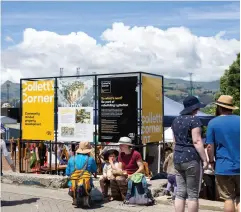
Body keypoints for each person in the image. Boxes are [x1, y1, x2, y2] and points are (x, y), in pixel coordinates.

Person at [172, 96, 208, 212]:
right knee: (192, 194)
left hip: (177, 158)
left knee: (180, 192)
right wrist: (205, 159)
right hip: (191, 158)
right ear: (194, 108)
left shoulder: (175, 120)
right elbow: (197, 141)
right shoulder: (194, 120)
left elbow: (174, 142)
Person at [206, 95, 240, 212]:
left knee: (228, 198)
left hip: (223, 166)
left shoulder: (213, 123)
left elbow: (210, 147)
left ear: (219, 107)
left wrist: (211, 161)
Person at [110, 137, 144, 201]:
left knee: (119, 178)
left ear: (126, 145)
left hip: (134, 174)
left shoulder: (136, 154)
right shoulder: (121, 154)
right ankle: (116, 196)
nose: (119, 146)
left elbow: (141, 168)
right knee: (112, 177)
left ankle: (126, 196)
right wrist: (118, 170)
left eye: (121, 145)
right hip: (125, 173)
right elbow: (120, 168)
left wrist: (132, 175)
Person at [66, 141, 97, 205]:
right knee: (88, 181)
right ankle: (86, 200)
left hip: (73, 183)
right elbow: (94, 170)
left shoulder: (71, 159)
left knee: (72, 182)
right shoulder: (90, 159)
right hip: (85, 182)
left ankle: (74, 199)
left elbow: (67, 173)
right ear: (88, 151)